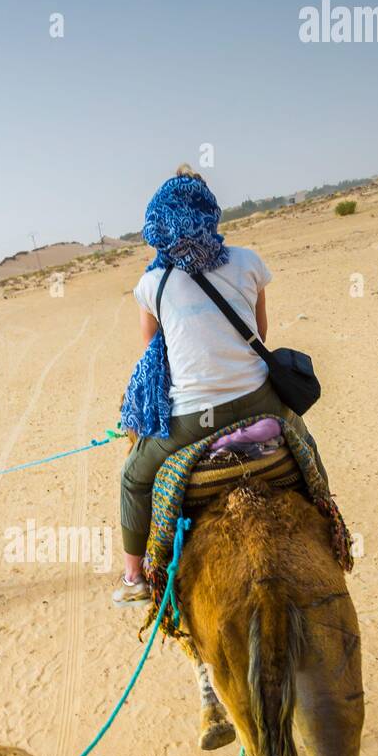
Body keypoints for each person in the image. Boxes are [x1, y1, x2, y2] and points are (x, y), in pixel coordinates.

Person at [114, 165, 327, 605]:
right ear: (209, 212)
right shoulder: (249, 261)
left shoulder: (152, 284)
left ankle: (133, 577)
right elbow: (260, 335)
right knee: (306, 443)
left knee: (134, 477)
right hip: (261, 401)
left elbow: (156, 350)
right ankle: (330, 524)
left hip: (193, 418)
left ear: (160, 222)